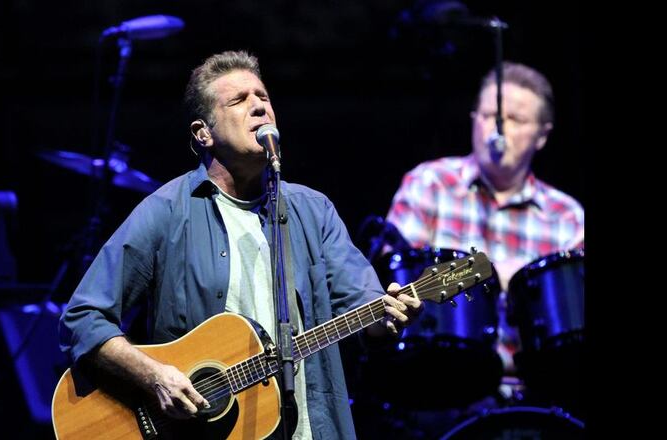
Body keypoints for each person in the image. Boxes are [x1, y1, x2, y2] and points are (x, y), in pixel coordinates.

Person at [59, 50, 422, 439]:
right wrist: (153, 375)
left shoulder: (314, 211)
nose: (259, 107)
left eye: (263, 97)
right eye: (239, 100)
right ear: (204, 133)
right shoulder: (166, 212)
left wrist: (388, 316)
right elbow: (83, 317)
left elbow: (363, 307)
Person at [385, 61, 584, 405]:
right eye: (490, 115)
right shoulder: (428, 185)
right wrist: (484, 273)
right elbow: (394, 291)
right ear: (474, 119)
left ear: (542, 135)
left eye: (516, 120)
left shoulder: (567, 216)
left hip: (543, 398)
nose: (498, 129)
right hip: (440, 392)